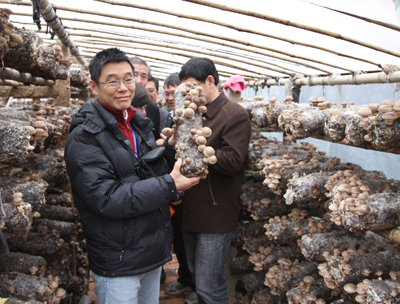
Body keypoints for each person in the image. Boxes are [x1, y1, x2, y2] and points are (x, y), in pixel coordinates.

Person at [64, 48, 200, 304]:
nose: (123, 87)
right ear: (94, 86)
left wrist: (169, 150)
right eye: (112, 80)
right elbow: (108, 198)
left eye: (129, 79)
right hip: (119, 259)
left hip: (150, 251)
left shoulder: (139, 125)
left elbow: (147, 174)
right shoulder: (84, 138)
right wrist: (170, 185)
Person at [178, 57, 251, 304]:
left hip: (216, 214)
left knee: (210, 285)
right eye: (184, 88)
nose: (188, 93)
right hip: (190, 210)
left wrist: (197, 151)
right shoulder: (193, 114)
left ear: (210, 81)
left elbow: (233, 161)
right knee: (198, 279)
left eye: (192, 86)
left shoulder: (234, 114)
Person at [130, 56, 163, 139]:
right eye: (134, 75)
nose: (138, 81)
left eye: (144, 77)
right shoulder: (118, 105)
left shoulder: (153, 109)